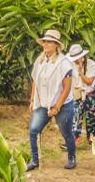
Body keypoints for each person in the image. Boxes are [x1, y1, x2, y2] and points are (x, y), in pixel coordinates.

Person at [27, 29, 76, 171]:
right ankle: (35, 160)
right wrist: (32, 100)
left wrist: (56, 107)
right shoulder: (40, 61)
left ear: (56, 45)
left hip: (63, 104)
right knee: (34, 130)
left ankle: (71, 158)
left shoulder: (64, 63)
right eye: (44, 42)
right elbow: (35, 81)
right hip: (43, 103)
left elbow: (67, 88)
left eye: (49, 42)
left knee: (66, 132)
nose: (46, 44)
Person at [67, 44, 95, 144]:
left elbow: (89, 82)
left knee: (92, 118)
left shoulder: (91, 64)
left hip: (90, 94)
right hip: (77, 94)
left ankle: (93, 140)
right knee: (75, 116)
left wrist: (80, 72)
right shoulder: (70, 65)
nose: (75, 60)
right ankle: (73, 140)